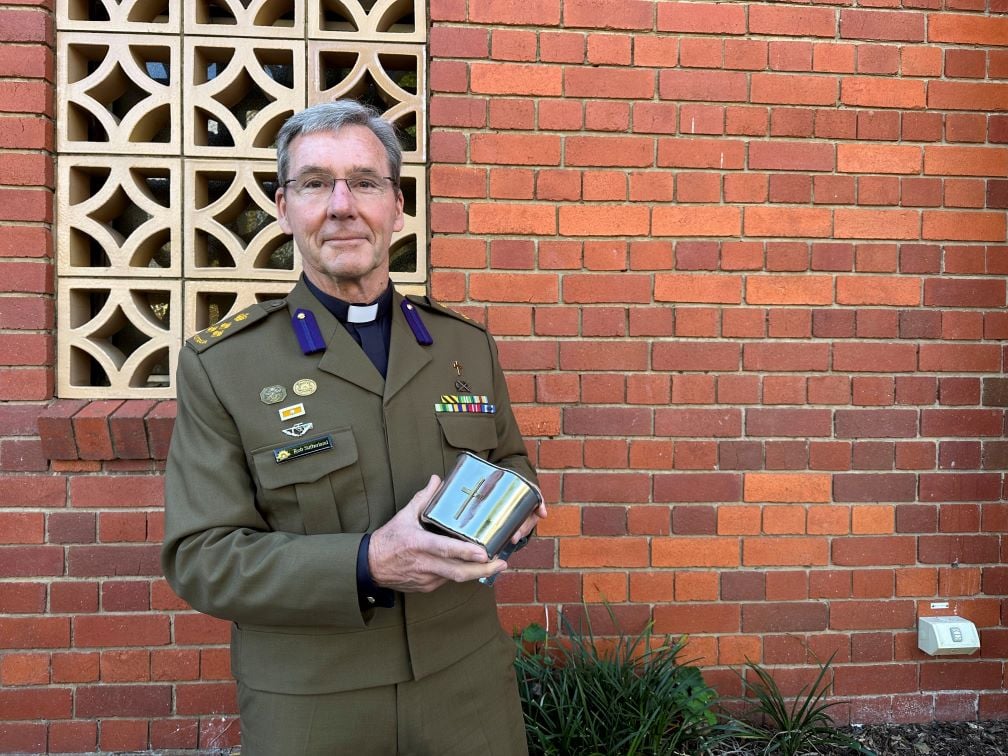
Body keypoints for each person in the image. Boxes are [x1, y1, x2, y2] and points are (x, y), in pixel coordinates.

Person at [160, 100, 547, 755]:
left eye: (365, 182)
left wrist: (517, 506)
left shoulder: (463, 347)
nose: (342, 204)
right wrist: (368, 563)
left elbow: (511, 463)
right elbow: (202, 559)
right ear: (284, 208)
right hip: (314, 703)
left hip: (467, 689)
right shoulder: (225, 365)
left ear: (396, 206)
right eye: (315, 183)